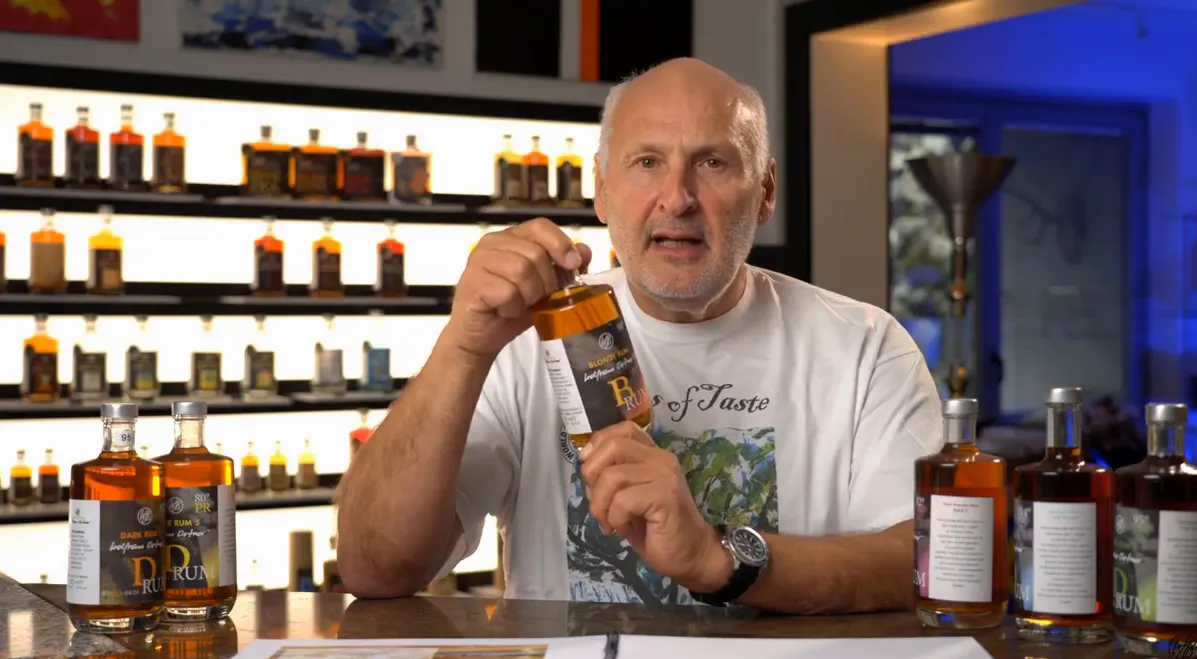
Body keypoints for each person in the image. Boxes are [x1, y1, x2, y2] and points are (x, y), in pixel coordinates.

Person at [336, 58, 943, 614]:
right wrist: (463, 348)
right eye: (647, 162)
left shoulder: (865, 347)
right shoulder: (520, 341)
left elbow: (924, 561)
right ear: (600, 189)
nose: (676, 198)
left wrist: (716, 558)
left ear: (765, 192)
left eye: (712, 162)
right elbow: (374, 567)